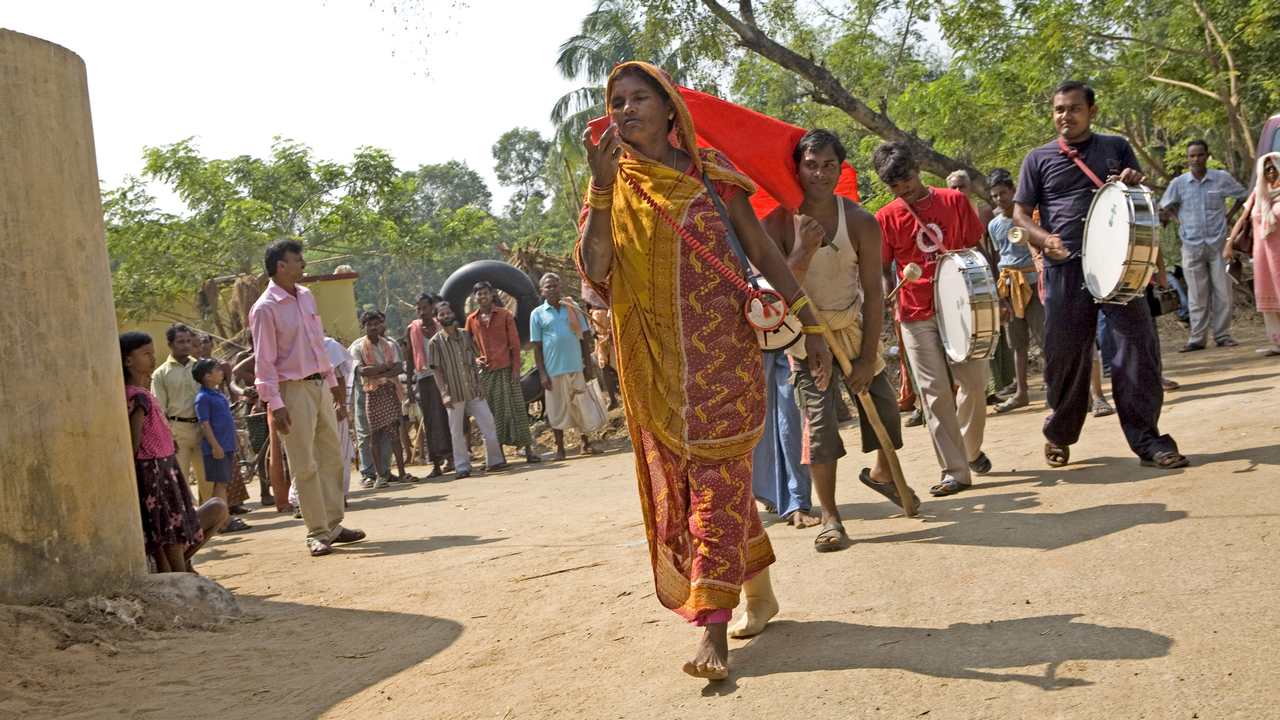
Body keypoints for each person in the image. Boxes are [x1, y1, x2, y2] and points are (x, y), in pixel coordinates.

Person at [576, 61, 833, 680]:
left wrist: (809, 322)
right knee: (698, 485)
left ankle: (712, 626)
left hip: (725, 358)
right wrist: (604, 186)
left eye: (640, 98)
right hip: (655, 364)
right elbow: (596, 266)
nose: (626, 109)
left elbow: (765, 251)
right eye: (617, 101)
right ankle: (760, 593)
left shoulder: (714, 176)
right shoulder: (610, 185)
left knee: (715, 475)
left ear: (671, 110)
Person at [1011, 80, 1187, 469]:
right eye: (1059, 109)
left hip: (1118, 268)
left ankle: (1149, 441)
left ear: (1092, 111)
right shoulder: (1037, 159)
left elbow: (1138, 199)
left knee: (1135, 353)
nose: (1065, 116)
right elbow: (1020, 217)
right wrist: (1044, 239)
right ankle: (1059, 432)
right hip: (1065, 269)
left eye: (1073, 108)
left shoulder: (1116, 147)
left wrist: (1134, 182)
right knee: (1065, 358)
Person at [762, 129, 904, 550]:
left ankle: (882, 473)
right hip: (806, 338)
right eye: (811, 165)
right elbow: (777, 286)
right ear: (798, 169)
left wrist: (865, 360)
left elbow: (875, 293)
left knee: (886, 412)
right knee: (820, 427)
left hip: (854, 330)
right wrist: (803, 247)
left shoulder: (859, 221)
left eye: (828, 165)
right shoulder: (778, 222)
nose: (820, 174)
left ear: (839, 168)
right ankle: (831, 517)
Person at [874, 141, 993, 496]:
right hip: (914, 311)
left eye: (907, 179)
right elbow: (883, 268)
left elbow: (975, 247)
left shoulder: (955, 201)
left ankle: (969, 450)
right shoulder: (885, 217)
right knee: (933, 392)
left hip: (960, 306)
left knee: (974, 384)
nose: (904, 189)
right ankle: (954, 470)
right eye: (894, 186)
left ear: (918, 169)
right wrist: (884, 290)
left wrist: (986, 291)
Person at [249, 239, 365, 556]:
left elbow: (317, 344)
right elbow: (264, 362)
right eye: (297, 260)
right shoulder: (264, 308)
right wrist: (275, 403)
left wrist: (332, 382)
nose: (303, 264)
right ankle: (316, 531)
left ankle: (334, 524)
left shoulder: (306, 296)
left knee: (331, 457)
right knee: (305, 463)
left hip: (318, 386)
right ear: (280, 266)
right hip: (291, 390)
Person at [121, 332, 227, 572]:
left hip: (165, 468)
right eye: (145, 354)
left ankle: (181, 569)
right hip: (154, 471)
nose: (152, 357)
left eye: (152, 352)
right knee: (168, 533)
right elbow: (134, 441)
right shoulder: (137, 397)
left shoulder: (144, 394)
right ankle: (178, 573)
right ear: (128, 361)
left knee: (175, 529)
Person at [1159, 140, 1249, 352]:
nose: (1196, 159)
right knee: (1197, 294)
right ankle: (1197, 339)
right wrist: (1177, 219)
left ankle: (1223, 335)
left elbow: (1243, 196)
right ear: (1187, 159)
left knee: (1223, 292)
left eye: (1200, 155)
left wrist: (1229, 216)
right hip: (1191, 245)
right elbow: (1164, 207)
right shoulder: (1179, 183)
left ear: (1207, 155)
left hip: (1218, 243)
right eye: (1192, 156)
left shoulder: (1221, 178)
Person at [428, 299, 509, 478]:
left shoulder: (465, 335)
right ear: (437, 319)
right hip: (454, 392)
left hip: (473, 389)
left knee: (488, 424)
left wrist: (479, 380)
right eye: (442, 314)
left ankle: (494, 461)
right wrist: (444, 394)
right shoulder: (435, 343)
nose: (446, 316)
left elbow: (473, 360)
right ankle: (462, 467)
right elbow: (437, 371)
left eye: (448, 313)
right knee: (456, 432)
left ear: (453, 314)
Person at [988, 169, 1046, 413]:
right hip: (1009, 287)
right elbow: (997, 256)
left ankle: (1056, 388)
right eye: (995, 195)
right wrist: (1000, 296)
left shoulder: (1029, 217)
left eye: (1003, 193)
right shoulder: (993, 225)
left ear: (1013, 191)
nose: (1000, 199)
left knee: (1045, 339)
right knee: (1017, 343)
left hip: (1033, 282)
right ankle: (1021, 392)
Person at [530, 273, 605, 460]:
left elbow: (585, 337)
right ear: (542, 291)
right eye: (548, 287)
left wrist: (588, 365)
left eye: (555, 285)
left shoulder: (572, 307)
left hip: (575, 366)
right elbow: (537, 347)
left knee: (581, 406)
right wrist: (542, 374)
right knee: (556, 411)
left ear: (560, 287)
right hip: (553, 370)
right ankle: (560, 449)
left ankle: (585, 444)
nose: (552, 289)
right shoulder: (537, 314)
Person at [465, 281, 542, 463]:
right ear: (475, 298)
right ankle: (498, 456)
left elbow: (515, 344)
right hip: (487, 374)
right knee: (492, 414)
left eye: (485, 293)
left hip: (507, 370)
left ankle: (528, 451)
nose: (482, 297)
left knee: (517, 410)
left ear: (491, 295)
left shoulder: (505, 315)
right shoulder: (472, 320)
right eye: (479, 294)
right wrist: (476, 360)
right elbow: (467, 346)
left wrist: (516, 369)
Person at [351, 311, 416, 487]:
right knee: (369, 435)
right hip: (367, 394)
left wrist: (378, 371)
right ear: (363, 326)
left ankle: (389, 472)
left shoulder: (390, 344)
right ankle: (369, 475)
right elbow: (362, 371)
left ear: (382, 324)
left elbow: (398, 368)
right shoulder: (357, 347)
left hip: (389, 392)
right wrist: (384, 369)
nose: (373, 327)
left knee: (392, 434)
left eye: (377, 324)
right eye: (369, 324)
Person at [150, 324, 213, 505]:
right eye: (180, 342)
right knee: (181, 483)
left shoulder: (200, 368)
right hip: (178, 432)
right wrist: (168, 436)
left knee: (208, 481)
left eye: (187, 341)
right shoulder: (161, 374)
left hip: (202, 430)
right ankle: (189, 526)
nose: (185, 345)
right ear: (170, 344)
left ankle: (211, 524)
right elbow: (160, 409)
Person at [290, 336, 355, 508]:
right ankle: (301, 502)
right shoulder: (291, 347)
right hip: (302, 402)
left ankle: (338, 496)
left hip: (329, 403)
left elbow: (339, 377)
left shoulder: (329, 346)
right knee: (305, 453)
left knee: (337, 452)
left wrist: (340, 405)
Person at [1226, 152, 1280, 355]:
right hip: (1263, 256)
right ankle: (1277, 342)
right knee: (1269, 296)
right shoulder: (1259, 193)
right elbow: (1243, 219)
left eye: (1274, 167)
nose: (1271, 172)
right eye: (1267, 169)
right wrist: (1229, 244)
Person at [193, 359, 250, 533]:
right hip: (217, 447)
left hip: (227, 445)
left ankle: (224, 519)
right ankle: (223, 522)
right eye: (216, 370)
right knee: (220, 485)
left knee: (223, 483)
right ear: (207, 376)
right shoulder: (202, 398)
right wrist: (215, 446)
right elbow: (205, 424)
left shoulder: (217, 394)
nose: (220, 372)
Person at [408, 292, 453, 476]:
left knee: (447, 418)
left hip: (443, 376)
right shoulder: (412, 328)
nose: (421, 311)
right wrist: (410, 387)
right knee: (430, 421)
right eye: (418, 308)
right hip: (424, 378)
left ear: (431, 308)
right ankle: (435, 463)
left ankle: (452, 458)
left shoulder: (440, 326)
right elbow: (409, 357)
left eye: (424, 308)